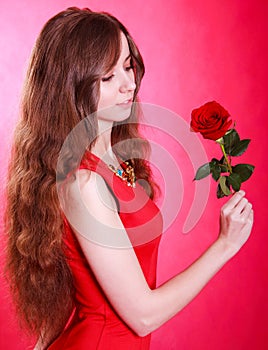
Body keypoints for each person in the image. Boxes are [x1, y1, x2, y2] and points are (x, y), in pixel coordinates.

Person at [4, 7, 254, 350]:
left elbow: (68, 289)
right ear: (71, 88)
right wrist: (225, 245)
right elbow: (143, 315)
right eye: (107, 77)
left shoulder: (114, 161)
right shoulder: (85, 183)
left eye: (127, 66)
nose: (128, 84)